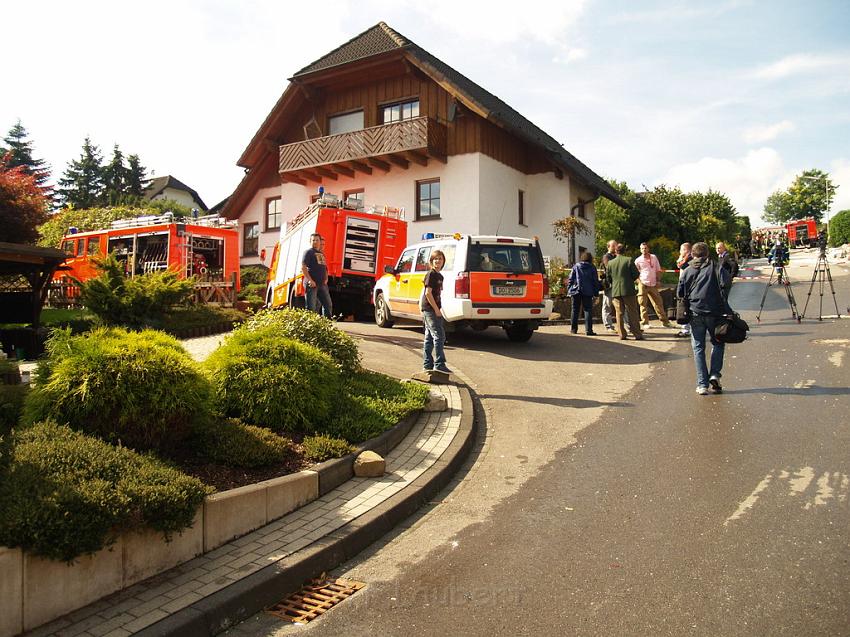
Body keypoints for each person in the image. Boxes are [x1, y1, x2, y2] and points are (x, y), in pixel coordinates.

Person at [677, 242, 731, 395]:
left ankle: (702, 384)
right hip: (715, 312)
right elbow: (726, 283)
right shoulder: (715, 267)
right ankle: (714, 374)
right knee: (718, 343)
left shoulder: (686, 271)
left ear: (692, 255)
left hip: (695, 313)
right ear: (707, 254)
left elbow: (680, 293)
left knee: (698, 348)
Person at [421, 249, 450, 373]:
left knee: (429, 337)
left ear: (443, 261)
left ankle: (427, 364)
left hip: (433, 309)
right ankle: (439, 364)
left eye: (440, 259)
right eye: (435, 259)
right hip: (430, 309)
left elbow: (438, 294)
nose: (438, 261)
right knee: (439, 336)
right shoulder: (431, 274)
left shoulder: (440, 276)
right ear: (431, 261)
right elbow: (428, 293)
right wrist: (436, 310)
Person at [606, 244, 643, 340]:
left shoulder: (610, 263)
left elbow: (608, 278)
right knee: (632, 312)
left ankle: (622, 334)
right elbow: (636, 275)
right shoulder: (629, 260)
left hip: (616, 291)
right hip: (628, 290)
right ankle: (637, 334)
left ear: (615, 251)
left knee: (619, 313)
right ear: (624, 251)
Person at [634, 242, 673, 329]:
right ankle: (645, 323)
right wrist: (639, 282)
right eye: (642, 248)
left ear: (648, 249)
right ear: (640, 250)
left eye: (645, 248)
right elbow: (635, 274)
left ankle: (665, 322)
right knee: (642, 304)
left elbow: (658, 269)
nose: (644, 250)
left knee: (658, 302)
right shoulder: (638, 260)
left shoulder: (654, 257)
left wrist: (658, 280)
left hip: (653, 284)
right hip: (643, 284)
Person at [568, 251, 602, 335]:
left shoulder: (576, 266)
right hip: (588, 291)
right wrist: (596, 293)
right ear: (590, 259)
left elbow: (570, 279)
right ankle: (588, 330)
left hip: (576, 290)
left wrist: (569, 289)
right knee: (587, 310)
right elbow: (595, 281)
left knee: (575, 310)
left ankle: (573, 329)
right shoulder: (592, 267)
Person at [302, 233, 333, 317]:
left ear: (320, 242)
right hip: (312, 285)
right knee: (311, 308)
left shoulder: (321, 254)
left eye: (317, 240)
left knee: (328, 305)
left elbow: (324, 268)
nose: (315, 242)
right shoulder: (308, 252)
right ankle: (309, 327)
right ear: (310, 241)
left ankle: (326, 326)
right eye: (313, 240)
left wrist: (326, 278)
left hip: (322, 284)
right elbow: (303, 267)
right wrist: (310, 280)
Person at [675, 242, 693, 338]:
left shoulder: (688, 259)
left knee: (684, 308)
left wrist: (681, 258)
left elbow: (680, 265)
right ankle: (686, 328)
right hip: (687, 286)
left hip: (686, 287)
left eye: (681, 250)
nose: (680, 252)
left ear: (687, 250)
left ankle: (686, 330)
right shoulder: (688, 258)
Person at [600, 239, 618, 331]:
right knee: (607, 305)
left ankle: (628, 327)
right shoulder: (606, 256)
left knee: (622, 306)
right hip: (609, 284)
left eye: (616, 245)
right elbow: (610, 268)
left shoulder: (616, 256)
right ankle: (608, 326)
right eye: (613, 245)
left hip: (617, 284)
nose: (615, 247)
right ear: (608, 247)